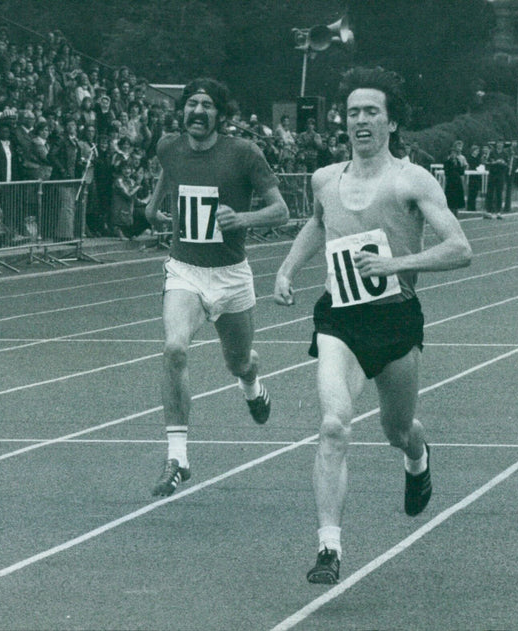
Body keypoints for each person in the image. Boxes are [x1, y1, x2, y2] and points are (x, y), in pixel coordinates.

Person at [272, 67, 472, 585]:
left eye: (371, 112)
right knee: (334, 424)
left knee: (396, 429)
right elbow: (317, 223)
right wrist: (288, 269)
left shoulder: (411, 179)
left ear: (391, 121)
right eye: (353, 112)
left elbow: (460, 249)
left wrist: (396, 266)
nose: (360, 121)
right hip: (339, 317)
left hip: (396, 319)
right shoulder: (325, 178)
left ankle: (418, 456)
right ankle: (329, 548)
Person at [144, 77, 289, 496]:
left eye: (207, 105)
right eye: (192, 104)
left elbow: (280, 211)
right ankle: (178, 456)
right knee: (174, 349)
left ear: (219, 116)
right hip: (185, 271)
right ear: (183, 112)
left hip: (230, 276)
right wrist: (153, 206)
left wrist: (242, 219)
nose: (198, 111)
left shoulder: (244, 153)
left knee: (239, 361)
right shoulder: (168, 146)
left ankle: (252, 385)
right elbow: (168, 175)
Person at [443, 140, 468, 217]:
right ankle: (450, 212)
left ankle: (456, 212)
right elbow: (446, 172)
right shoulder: (447, 162)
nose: (453, 155)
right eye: (452, 153)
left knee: (457, 198)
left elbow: (461, 172)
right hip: (450, 182)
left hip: (457, 182)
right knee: (450, 198)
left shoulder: (458, 161)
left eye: (455, 153)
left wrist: (461, 167)